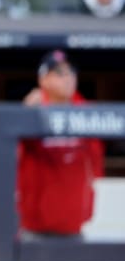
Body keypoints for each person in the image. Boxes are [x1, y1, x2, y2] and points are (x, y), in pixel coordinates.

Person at [19, 50, 104, 239]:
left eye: (71, 73)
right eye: (59, 74)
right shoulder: (33, 111)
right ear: (43, 80)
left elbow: (96, 164)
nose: (68, 78)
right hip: (35, 227)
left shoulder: (86, 113)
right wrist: (25, 115)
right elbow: (12, 159)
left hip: (75, 225)